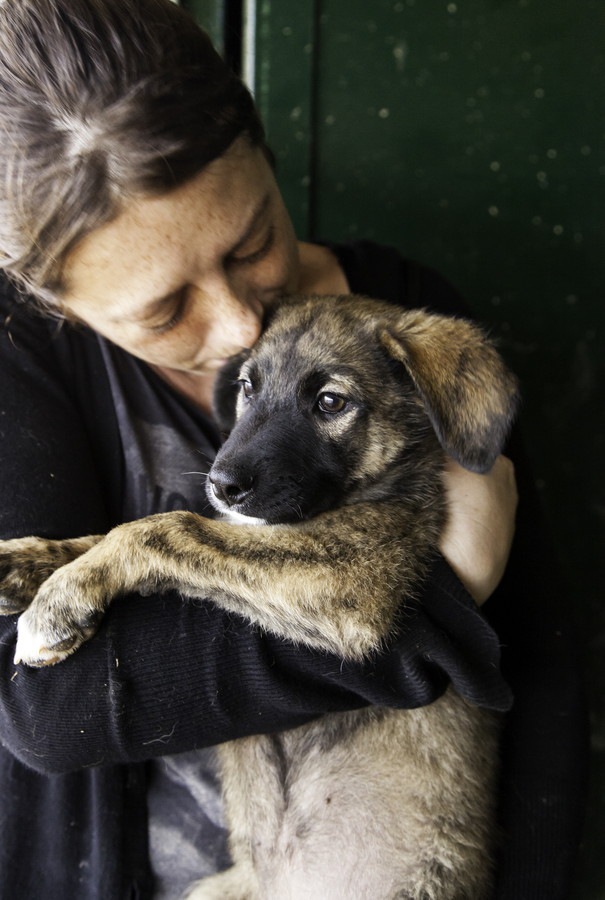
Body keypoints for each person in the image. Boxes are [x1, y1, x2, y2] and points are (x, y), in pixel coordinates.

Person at [0, 1, 587, 898]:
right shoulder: (22, 364)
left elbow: (541, 668)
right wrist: (434, 602)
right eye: (165, 311)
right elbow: (45, 710)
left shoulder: (406, 315)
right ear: (57, 305)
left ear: (267, 157)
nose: (240, 323)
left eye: (253, 242)